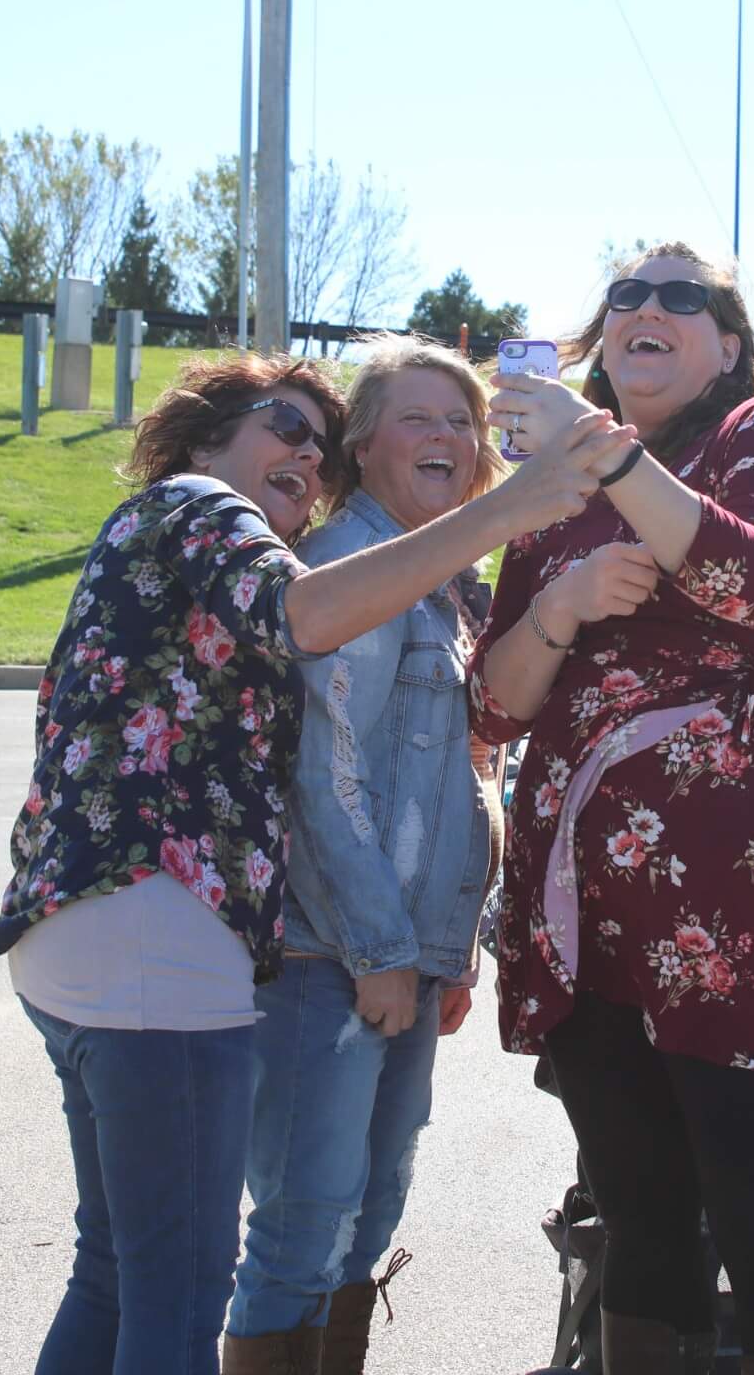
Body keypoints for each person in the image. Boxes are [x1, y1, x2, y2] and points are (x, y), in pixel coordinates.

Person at [0, 353, 631, 1375]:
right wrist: (519, 503)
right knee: (191, 1285)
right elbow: (311, 638)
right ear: (201, 438)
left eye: (317, 442)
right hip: (157, 941)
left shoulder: (258, 558)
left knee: (120, 1274)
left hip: (107, 936)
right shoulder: (197, 506)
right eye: (284, 425)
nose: (307, 455)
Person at [474, 242, 754, 1375]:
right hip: (588, 893)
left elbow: (748, 578)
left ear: (727, 343)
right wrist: (563, 602)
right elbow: (497, 700)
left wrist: (606, 455)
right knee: (637, 1210)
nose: (648, 308)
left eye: (684, 295)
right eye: (627, 294)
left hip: (743, 890)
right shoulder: (555, 483)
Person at [226, 337, 507, 1373]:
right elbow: (324, 776)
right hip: (328, 958)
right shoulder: (356, 565)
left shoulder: (436, 580)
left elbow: (447, 781)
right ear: (365, 444)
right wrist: (384, 950)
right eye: (418, 417)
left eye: (462, 421)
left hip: (400, 957)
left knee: (367, 1213)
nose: (447, 436)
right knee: (304, 1226)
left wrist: (442, 952)